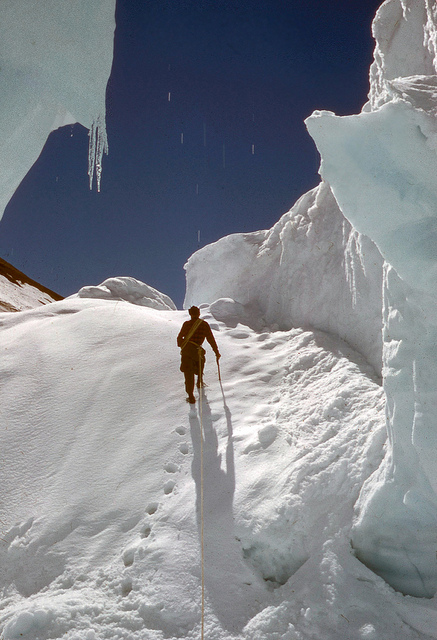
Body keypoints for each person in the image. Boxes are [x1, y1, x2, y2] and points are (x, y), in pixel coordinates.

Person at [177, 306, 221, 404]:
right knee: (200, 363)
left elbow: (179, 339)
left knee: (188, 373)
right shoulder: (204, 325)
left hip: (187, 351)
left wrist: (183, 345)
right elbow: (211, 339)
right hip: (197, 351)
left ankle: (191, 396)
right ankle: (199, 380)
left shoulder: (186, 324)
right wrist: (216, 352)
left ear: (190, 313)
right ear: (199, 313)